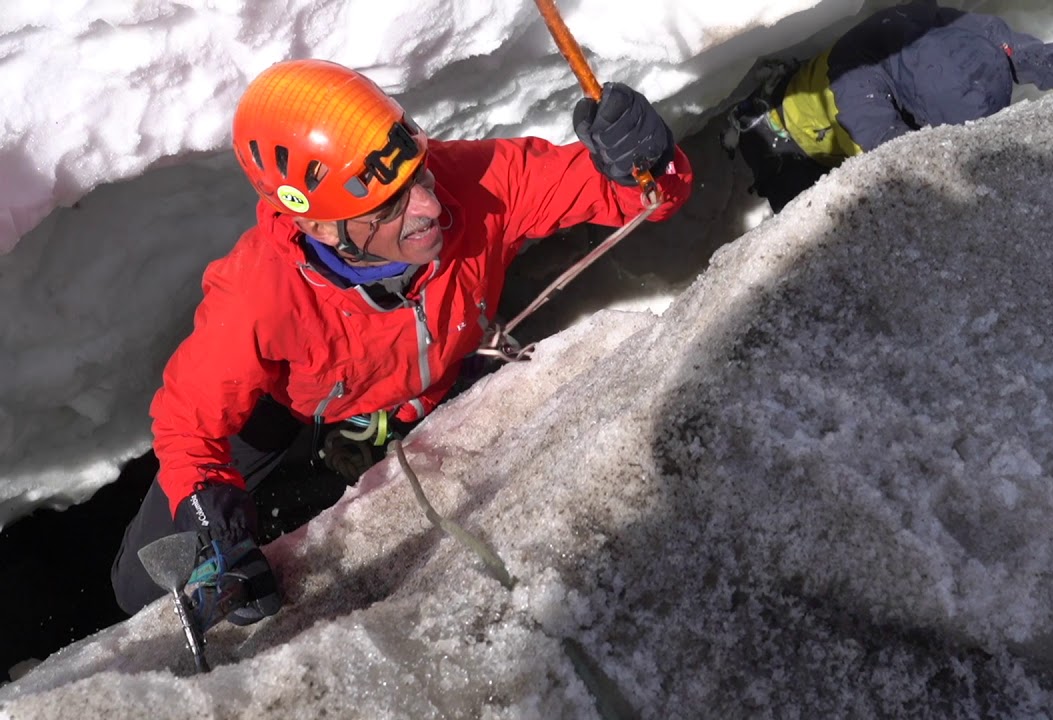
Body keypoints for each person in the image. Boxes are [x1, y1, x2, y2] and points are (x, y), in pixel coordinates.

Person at [110, 59, 693, 623]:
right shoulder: (258, 294)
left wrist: (647, 159)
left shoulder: (475, 184)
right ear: (316, 224)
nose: (431, 206)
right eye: (389, 203)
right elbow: (188, 424)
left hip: (434, 381)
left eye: (420, 175)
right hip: (287, 407)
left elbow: (646, 197)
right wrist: (221, 533)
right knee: (140, 586)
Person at [722, 0, 1053, 212]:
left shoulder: (949, 29)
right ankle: (754, 122)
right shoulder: (858, 84)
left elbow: (1030, 54)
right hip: (790, 140)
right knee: (803, 216)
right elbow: (898, 160)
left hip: (842, 116)